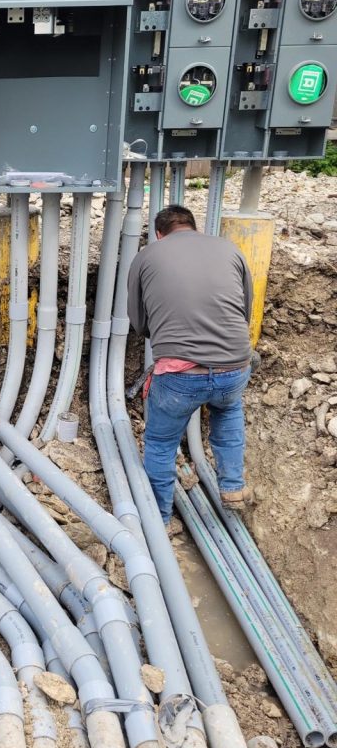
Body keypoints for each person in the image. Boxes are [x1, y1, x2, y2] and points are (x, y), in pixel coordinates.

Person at [127, 204, 254, 524]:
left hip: (180, 377)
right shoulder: (229, 248)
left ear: (160, 233)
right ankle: (233, 486)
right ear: (193, 227)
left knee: (160, 441)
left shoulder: (146, 256)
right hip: (236, 366)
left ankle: (160, 519)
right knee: (228, 409)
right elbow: (245, 309)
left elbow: (139, 322)